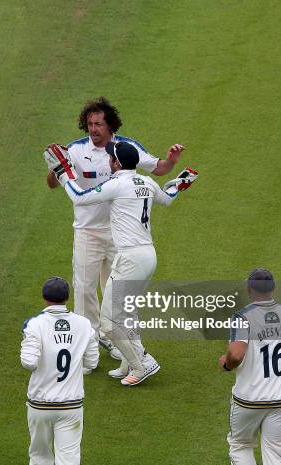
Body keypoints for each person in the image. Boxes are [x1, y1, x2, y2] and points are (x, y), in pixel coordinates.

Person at [44, 141, 197, 386]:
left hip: (130, 258)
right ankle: (127, 363)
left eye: (110, 158)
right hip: (148, 255)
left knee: (108, 320)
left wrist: (64, 172)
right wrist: (180, 182)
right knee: (126, 313)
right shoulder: (145, 182)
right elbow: (167, 198)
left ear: (116, 163)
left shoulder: (116, 184)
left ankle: (142, 363)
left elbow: (79, 198)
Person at [46, 97, 184, 361]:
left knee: (114, 293)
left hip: (117, 236)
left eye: (98, 124)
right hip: (87, 231)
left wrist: (171, 161)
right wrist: (55, 166)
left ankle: (114, 340)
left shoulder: (126, 148)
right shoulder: (75, 150)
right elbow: (52, 184)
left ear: (111, 126)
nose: (93, 129)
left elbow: (159, 168)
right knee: (84, 290)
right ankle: (89, 346)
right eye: (89, 124)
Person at [219, 268, 281, 465]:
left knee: (240, 445)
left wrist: (226, 364)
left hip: (248, 399)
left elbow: (236, 353)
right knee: (277, 451)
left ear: (249, 290)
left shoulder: (243, 317)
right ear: (274, 288)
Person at [21, 277, 99, 465]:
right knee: (69, 459)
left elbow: (29, 363)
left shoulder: (33, 324)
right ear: (68, 297)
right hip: (71, 405)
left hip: (40, 405)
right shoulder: (84, 324)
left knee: (39, 458)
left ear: (44, 298)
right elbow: (92, 362)